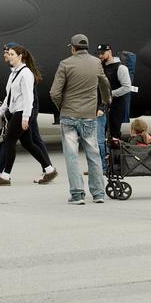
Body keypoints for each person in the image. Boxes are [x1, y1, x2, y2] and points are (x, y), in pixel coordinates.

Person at [49, 33, 110, 204]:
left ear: (73, 47)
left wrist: (61, 106)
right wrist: (104, 103)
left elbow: (54, 92)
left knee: (72, 156)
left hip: (69, 115)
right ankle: (98, 194)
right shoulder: (96, 62)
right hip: (89, 115)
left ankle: (77, 195)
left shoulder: (65, 64)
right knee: (93, 154)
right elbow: (104, 85)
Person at [0, 44, 57, 186]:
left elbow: (29, 98)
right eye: (9, 54)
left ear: (20, 56)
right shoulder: (14, 73)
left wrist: (26, 117)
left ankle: (5, 176)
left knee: (9, 141)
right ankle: (49, 169)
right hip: (17, 111)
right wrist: (1, 111)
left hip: (22, 112)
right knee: (28, 143)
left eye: (12, 54)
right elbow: (9, 96)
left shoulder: (26, 74)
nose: (9, 56)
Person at [98, 44, 138, 162]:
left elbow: (126, 87)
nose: (100, 55)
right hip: (103, 105)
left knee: (114, 133)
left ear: (109, 51)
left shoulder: (120, 68)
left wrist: (110, 95)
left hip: (116, 105)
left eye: (102, 53)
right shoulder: (101, 67)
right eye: (98, 53)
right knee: (101, 135)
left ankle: (117, 161)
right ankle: (103, 163)